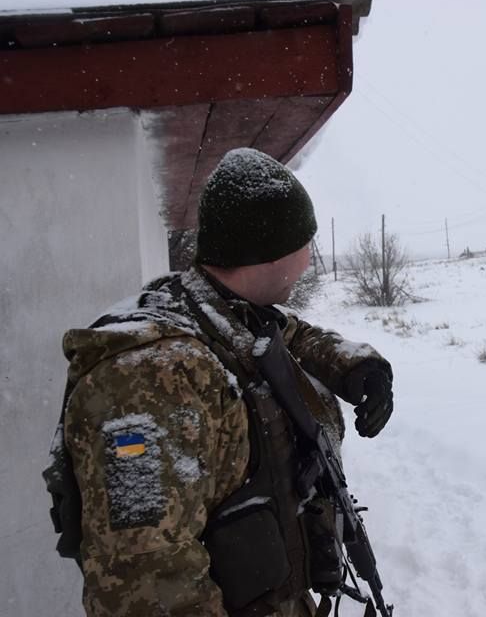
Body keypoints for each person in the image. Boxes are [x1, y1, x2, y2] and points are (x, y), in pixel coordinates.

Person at [48, 148, 394, 616]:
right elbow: (147, 585)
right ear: (269, 251)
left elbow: (286, 330)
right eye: (305, 244)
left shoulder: (217, 307)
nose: (310, 260)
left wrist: (355, 366)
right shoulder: (153, 379)